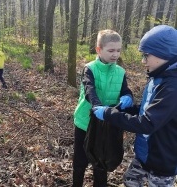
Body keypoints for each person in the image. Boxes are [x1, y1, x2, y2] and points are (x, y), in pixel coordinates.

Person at [93, 25, 177, 186]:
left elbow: (147, 123)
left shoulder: (172, 87)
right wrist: (125, 107)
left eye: (146, 55)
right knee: (130, 181)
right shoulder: (158, 77)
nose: (142, 61)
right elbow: (149, 111)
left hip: (163, 160)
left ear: (164, 54)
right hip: (145, 153)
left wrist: (109, 114)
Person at [73, 29, 133, 187]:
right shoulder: (89, 69)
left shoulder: (120, 72)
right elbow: (89, 90)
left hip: (107, 124)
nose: (115, 54)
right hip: (84, 122)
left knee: (101, 162)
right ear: (99, 49)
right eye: (111, 50)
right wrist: (97, 106)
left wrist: (128, 97)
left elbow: (125, 90)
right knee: (80, 161)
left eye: (118, 50)